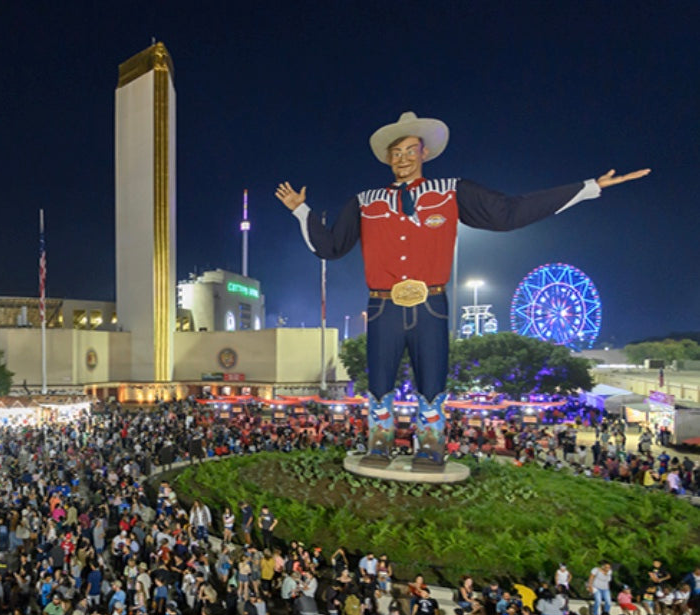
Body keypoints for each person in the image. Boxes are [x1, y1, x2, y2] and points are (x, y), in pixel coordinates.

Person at [277, 111, 649, 463]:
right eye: (396, 152)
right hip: (382, 306)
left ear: (425, 151)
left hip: (432, 304)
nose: (403, 158)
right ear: (387, 159)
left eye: (410, 150)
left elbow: (509, 212)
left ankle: (431, 450)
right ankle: (378, 446)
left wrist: (588, 188)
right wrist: (300, 211)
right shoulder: (365, 201)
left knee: (433, 382)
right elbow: (330, 247)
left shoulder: (452, 191)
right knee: (378, 383)